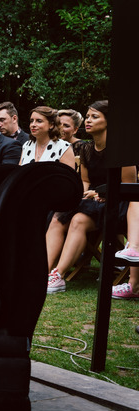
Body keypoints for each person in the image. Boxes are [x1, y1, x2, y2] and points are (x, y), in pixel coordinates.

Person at [46, 101, 135, 294]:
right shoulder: (86, 149)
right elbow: (85, 181)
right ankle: (48, 273)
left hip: (119, 202)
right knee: (62, 216)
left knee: (77, 218)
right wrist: (83, 194)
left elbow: (129, 186)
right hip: (93, 201)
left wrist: (102, 193)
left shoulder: (121, 150)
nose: (88, 120)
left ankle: (58, 274)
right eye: (87, 117)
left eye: (94, 117)